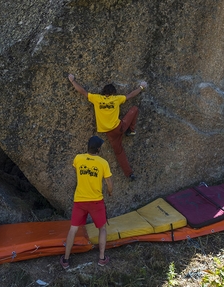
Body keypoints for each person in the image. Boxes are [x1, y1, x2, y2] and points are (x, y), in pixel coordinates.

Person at [68, 74, 148, 181]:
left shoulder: (96, 98)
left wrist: (73, 81)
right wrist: (141, 87)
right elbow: (131, 95)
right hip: (120, 127)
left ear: (103, 92)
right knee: (134, 109)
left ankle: (130, 174)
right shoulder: (116, 99)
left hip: (109, 133)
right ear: (113, 93)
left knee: (119, 153)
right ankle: (131, 131)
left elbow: (83, 91)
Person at [60, 135, 113, 269]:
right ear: (99, 148)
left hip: (80, 200)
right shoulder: (103, 163)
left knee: (73, 229)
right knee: (102, 228)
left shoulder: (78, 158)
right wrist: (110, 192)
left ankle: (65, 260)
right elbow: (109, 182)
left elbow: (77, 169)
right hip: (96, 201)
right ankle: (101, 258)